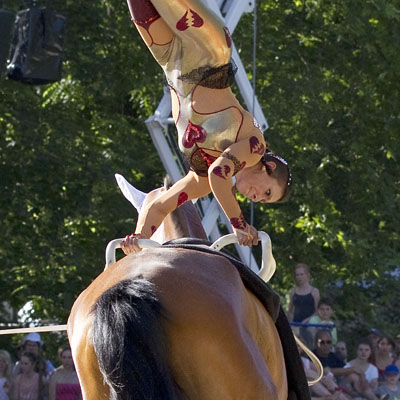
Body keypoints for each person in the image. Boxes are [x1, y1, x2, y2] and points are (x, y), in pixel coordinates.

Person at [120, 0, 293, 253]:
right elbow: (219, 174)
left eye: (264, 200)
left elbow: (159, 206)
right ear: (270, 166)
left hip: (172, 61)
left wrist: (139, 239)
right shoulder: (255, 147)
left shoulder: (201, 180)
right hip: (208, 49)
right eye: (267, 191)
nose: (257, 198)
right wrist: (239, 224)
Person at [288, 263, 320, 346]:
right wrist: (290, 322)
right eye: (297, 275)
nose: (299, 277)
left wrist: (306, 321)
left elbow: (317, 311)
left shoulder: (314, 291)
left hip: (309, 326)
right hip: (295, 325)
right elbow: (290, 310)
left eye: (301, 274)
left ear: (307, 275)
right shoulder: (293, 292)